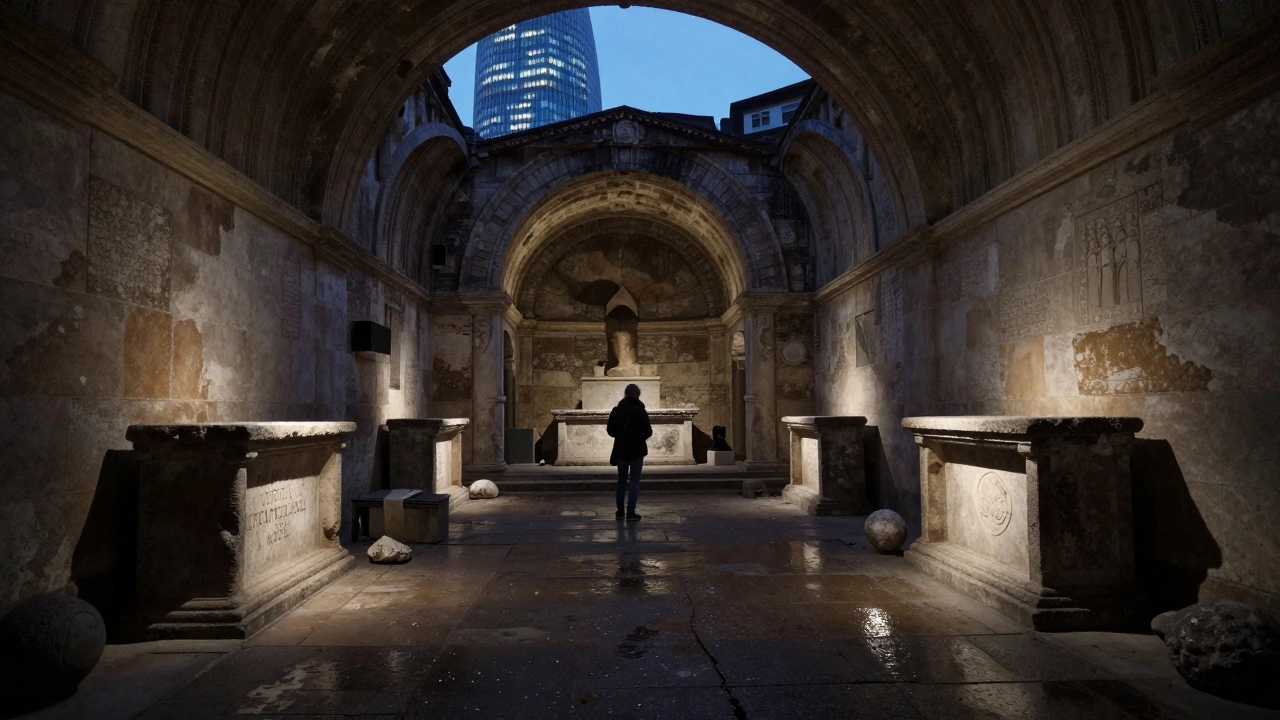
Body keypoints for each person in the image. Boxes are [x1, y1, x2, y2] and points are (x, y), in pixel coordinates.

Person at [607, 383, 652, 521]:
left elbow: (610, 431)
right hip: (636, 450)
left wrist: (621, 437)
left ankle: (620, 512)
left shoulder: (616, 410)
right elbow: (648, 431)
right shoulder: (640, 411)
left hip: (621, 449)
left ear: (625, 394)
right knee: (634, 482)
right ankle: (631, 512)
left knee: (621, 481)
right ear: (637, 395)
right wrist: (639, 438)